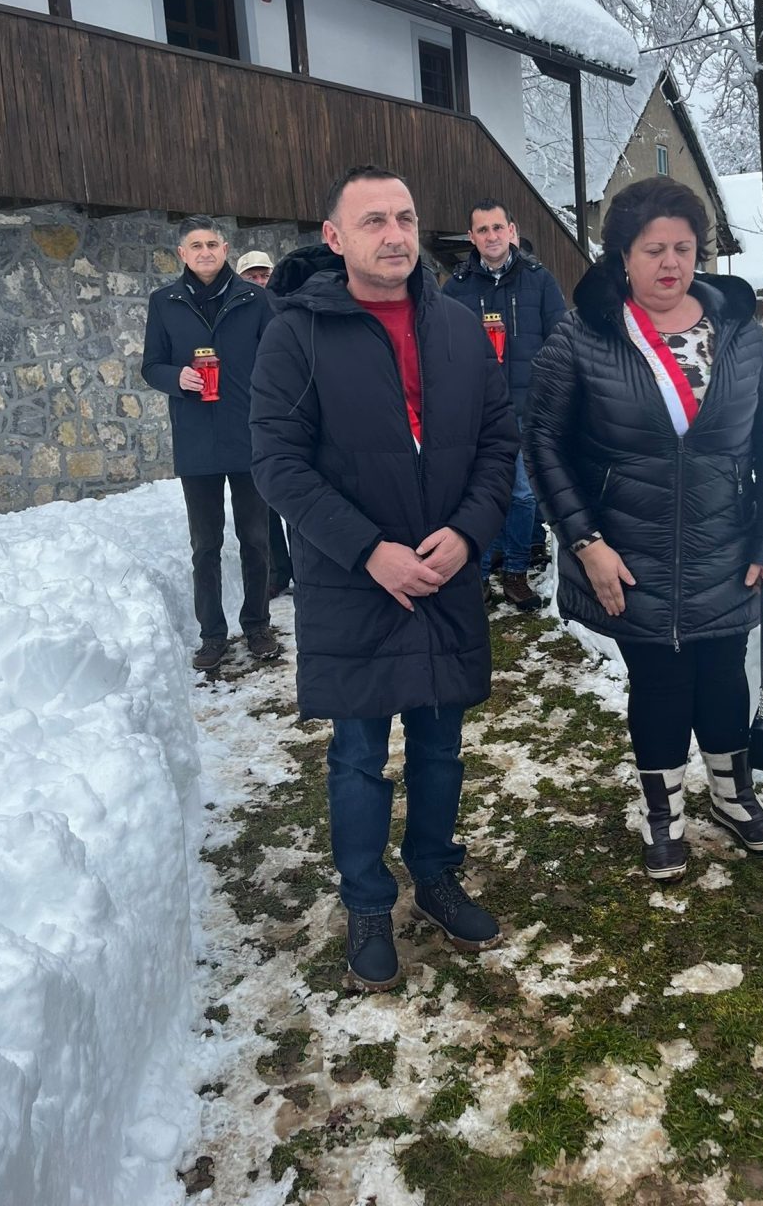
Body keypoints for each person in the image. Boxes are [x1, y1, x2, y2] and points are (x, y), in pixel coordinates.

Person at [250, 166, 517, 991]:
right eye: (373, 221)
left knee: (441, 746)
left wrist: (468, 534)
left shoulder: (459, 327)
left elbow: (498, 440)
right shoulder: (296, 334)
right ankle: (367, 902)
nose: (395, 234)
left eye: (404, 217)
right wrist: (369, 550)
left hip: (444, 572)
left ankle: (435, 875)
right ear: (335, 238)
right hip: (352, 581)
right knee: (360, 755)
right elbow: (277, 463)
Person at [524, 177, 763, 881]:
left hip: (726, 546)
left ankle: (733, 797)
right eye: (653, 250)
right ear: (623, 255)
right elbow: (543, 445)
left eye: (683, 247)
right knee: (659, 680)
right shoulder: (583, 335)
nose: (670, 262)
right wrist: (585, 543)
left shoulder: (739, 333)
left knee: (723, 675)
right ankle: (664, 812)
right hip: (627, 550)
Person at [142, 217, 278, 670]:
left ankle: (258, 625)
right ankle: (212, 635)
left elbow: (279, 358)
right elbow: (151, 365)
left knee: (255, 538)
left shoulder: (255, 299)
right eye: (196, 245)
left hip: (248, 435)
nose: (205, 252)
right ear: (182, 253)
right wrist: (175, 377)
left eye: (213, 244)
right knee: (205, 545)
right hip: (196, 437)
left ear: (225, 249)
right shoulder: (164, 302)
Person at [443, 199, 566, 610]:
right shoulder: (456, 287)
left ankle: (515, 573)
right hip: (476, 413)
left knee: (524, 495)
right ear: (471, 237)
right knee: (480, 494)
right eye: (482, 230)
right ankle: (477, 575)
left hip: (529, 409)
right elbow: (441, 349)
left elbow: (560, 343)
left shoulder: (539, 280)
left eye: (498, 227)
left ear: (511, 230)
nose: (491, 236)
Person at [235, 250, 292, 597]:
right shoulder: (236, 313)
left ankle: (304, 568)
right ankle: (277, 571)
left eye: (263, 275)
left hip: (289, 410)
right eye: (251, 276)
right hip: (252, 414)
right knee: (264, 498)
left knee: (295, 492)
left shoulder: (287, 308)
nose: (258, 282)